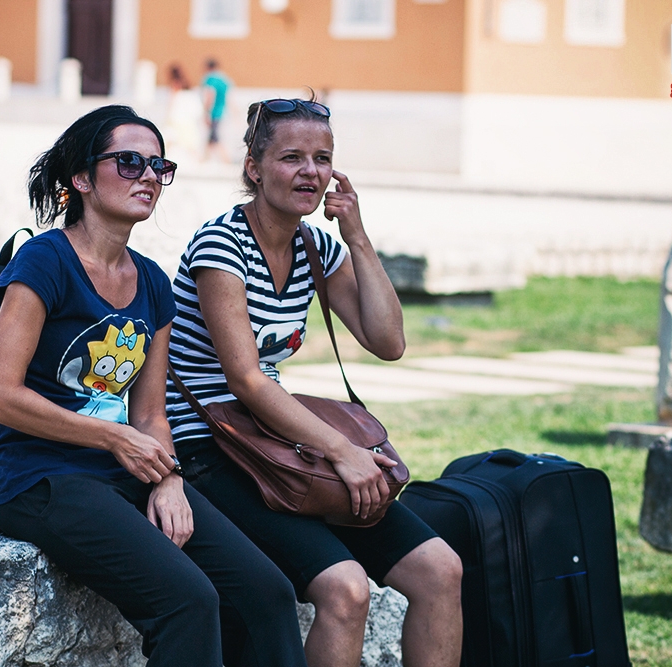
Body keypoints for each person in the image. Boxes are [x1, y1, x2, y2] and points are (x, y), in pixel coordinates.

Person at [0, 105, 308, 667]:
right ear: (82, 179)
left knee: (268, 593)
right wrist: (112, 438)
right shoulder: (45, 261)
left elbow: (151, 414)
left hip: (126, 469)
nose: (149, 176)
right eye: (129, 162)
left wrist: (170, 479)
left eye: (159, 165)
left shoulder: (153, 282)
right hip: (40, 477)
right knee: (188, 601)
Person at [166, 97, 464, 667]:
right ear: (254, 167)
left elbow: (388, 341)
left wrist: (357, 235)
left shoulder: (315, 245)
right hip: (207, 445)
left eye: (322, 158)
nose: (310, 171)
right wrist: (344, 452)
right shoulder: (221, 246)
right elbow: (246, 380)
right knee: (345, 589)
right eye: (291, 157)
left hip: (273, 439)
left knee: (440, 569)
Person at [201, 58, 232, 163]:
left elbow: (210, 95)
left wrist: (206, 112)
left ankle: (225, 159)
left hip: (214, 112)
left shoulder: (210, 79)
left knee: (215, 136)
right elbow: (229, 97)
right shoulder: (224, 80)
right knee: (212, 136)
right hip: (223, 112)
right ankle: (205, 158)